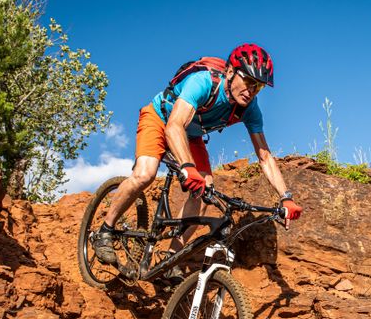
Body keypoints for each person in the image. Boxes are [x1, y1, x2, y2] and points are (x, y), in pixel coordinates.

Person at [92, 43, 302, 274]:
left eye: (259, 86)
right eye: (249, 81)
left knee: (204, 192)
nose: (251, 90)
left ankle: (170, 261)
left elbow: (264, 156)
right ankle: (105, 230)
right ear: (230, 72)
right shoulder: (203, 83)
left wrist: (285, 197)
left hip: (191, 135)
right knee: (145, 174)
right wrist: (187, 166)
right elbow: (173, 126)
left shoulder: (250, 108)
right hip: (160, 119)